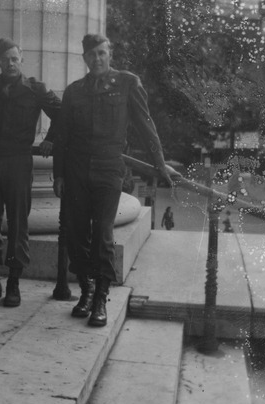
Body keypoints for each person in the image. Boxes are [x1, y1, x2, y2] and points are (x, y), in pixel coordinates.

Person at [53, 33, 175, 327]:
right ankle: (86, 289)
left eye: (102, 53)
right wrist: (58, 174)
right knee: (75, 233)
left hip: (109, 169)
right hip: (77, 170)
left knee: (103, 234)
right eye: (91, 55)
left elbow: (146, 126)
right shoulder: (74, 92)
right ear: (84, 59)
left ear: (110, 54)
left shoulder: (127, 83)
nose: (97, 59)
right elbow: (62, 137)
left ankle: (100, 299)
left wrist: (160, 164)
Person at [0, 37, 62, 308]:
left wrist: (51, 139)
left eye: (14, 58)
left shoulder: (35, 89)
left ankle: (13, 282)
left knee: (18, 223)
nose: (10, 63)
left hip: (19, 162)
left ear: (21, 58)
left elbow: (62, 113)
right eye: (5, 59)